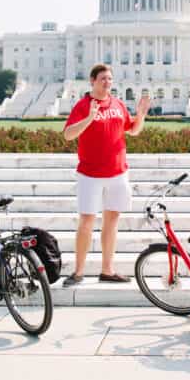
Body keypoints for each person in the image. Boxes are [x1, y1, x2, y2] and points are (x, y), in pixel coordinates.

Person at [61, 64, 151, 286]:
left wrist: (140, 115)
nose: (107, 82)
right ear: (92, 81)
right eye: (103, 79)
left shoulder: (118, 104)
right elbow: (68, 135)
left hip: (118, 173)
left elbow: (133, 130)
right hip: (90, 174)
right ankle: (79, 271)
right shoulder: (83, 106)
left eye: (110, 79)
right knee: (86, 222)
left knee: (112, 222)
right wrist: (89, 118)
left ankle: (107, 270)